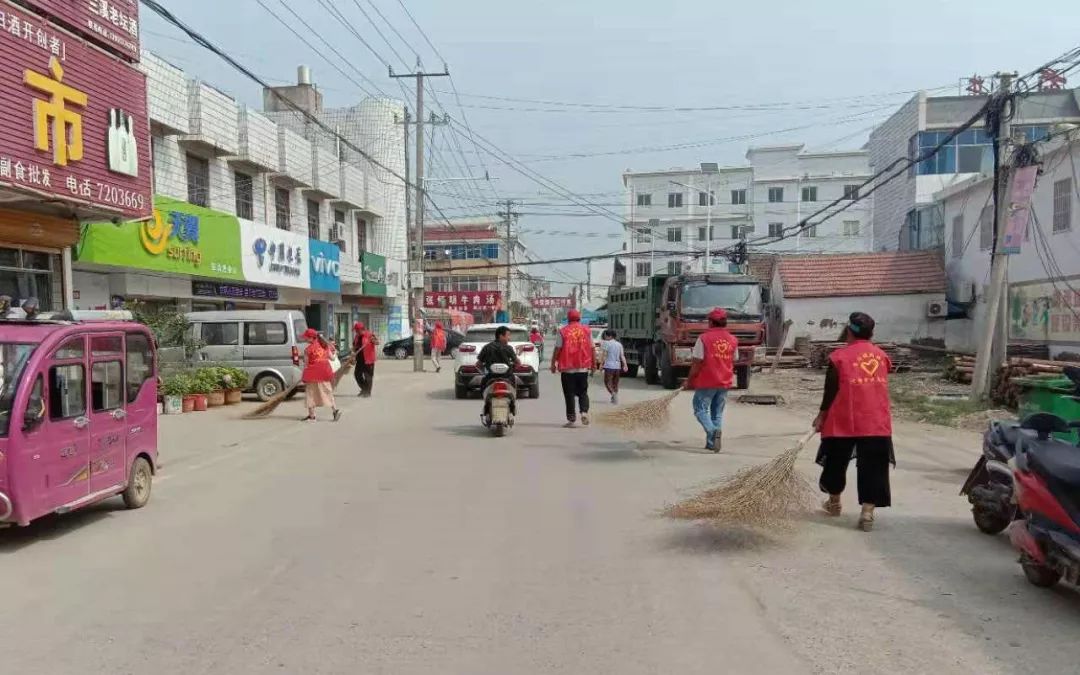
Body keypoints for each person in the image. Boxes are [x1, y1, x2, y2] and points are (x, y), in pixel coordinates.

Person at [812, 312, 895, 532]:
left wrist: (821, 415)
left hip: (843, 420)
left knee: (835, 462)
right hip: (875, 420)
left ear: (848, 331)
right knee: (874, 467)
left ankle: (835, 503)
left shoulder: (839, 357)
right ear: (872, 333)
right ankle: (867, 513)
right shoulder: (882, 356)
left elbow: (830, 390)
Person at [685, 308, 738, 452]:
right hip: (725, 381)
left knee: (700, 409)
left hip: (707, 381)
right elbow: (735, 359)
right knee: (717, 412)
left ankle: (712, 431)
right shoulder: (733, 340)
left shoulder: (703, 338)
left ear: (710, 322)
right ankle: (711, 443)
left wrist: (689, 381)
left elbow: (697, 362)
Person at [550, 309, 594, 427]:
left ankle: (571, 418)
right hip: (582, 367)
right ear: (579, 318)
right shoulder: (586, 330)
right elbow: (592, 348)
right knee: (583, 392)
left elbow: (558, 348)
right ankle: (584, 412)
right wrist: (593, 365)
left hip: (567, 368)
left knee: (569, 394)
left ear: (568, 319)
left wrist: (553, 363)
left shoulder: (563, 331)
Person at [301, 328, 342, 422]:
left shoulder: (308, 350)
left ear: (311, 338)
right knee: (327, 392)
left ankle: (312, 417)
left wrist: (304, 376)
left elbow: (306, 365)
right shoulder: (324, 346)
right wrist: (335, 353)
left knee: (310, 394)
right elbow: (332, 358)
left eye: (306, 338)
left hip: (313, 375)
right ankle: (335, 411)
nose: (305, 339)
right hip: (324, 374)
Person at [600, 329, 628, 404]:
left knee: (607, 382)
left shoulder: (606, 343)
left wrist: (601, 364)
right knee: (615, 383)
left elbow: (604, 355)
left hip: (609, 366)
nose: (605, 337)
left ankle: (613, 394)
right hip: (617, 367)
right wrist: (625, 365)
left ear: (610, 336)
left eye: (606, 335)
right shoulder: (619, 344)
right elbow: (622, 356)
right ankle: (614, 398)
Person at [352, 321, 379, 398]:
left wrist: (373, 341)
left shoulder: (369, 335)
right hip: (360, 359)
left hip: (368, 359)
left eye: (357, 330)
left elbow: (377, 342)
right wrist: (353, 353)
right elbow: (354, 345)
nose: (356, 332)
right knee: (357, 375)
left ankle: (368, 392)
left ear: (361, 329)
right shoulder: (357, 336)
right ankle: (364, 389)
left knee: (368, 376)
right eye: (356, 330)